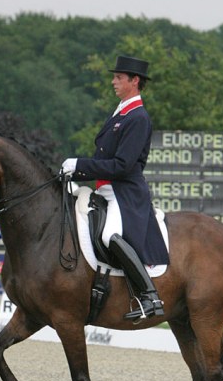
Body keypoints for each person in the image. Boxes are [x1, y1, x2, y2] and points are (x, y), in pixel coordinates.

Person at [61, 55, 169, 321]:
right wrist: (78, 173)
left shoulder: (138, 117)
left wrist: (80, 164)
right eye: (115, 77)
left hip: (125, 193)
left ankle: (149, 297)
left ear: (134, 81)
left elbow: (121, 165)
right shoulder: (120, 112)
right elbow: (103, 159)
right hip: (106, 189)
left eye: (119, 78)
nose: (113, 82)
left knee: (110, 235)